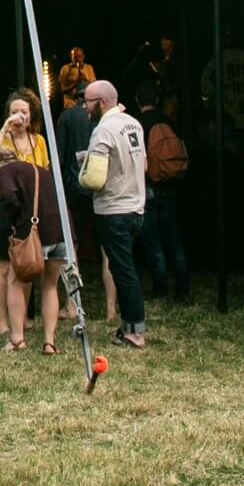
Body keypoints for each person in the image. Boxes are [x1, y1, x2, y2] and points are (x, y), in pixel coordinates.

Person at [80, 80, 148, 349]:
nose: (85, 107)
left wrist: (82, 171)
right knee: (125, 268)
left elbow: (95, 180)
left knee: (123, 270)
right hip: (135, 206)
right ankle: (128, 325)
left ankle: (135, 331)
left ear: (103, 102)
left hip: (113, 209)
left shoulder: (103, 130)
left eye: (88, 102)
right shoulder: (133, 123)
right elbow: (141, 165)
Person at [0, 90, 48, 340]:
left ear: (31, 115)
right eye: (13, 112)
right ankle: (2, 321)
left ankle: (23, 317)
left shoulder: (38, 141)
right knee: (3, 265)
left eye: (23, 112)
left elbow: (45, 172)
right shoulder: (0, 139)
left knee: (25, 263)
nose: (18, 116)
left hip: (28, 206)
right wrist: (4, 129)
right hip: (2, 203)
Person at [54, 75, 117, 325]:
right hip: (104, 189)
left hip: (75, 188)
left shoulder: (67, 117)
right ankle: (111, 309)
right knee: (108, 250)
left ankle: (71, 305)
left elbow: (59, 157)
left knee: (72, 248)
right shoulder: (109, 119)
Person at [0, 152, 65, 353]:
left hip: (35, 234)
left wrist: (17, 218)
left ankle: (17, 339)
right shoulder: (41, 171)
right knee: (50, 285)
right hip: (61, 232)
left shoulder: (5, 170)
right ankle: (49, 342)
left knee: (16, 280)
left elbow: (8, 196)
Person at [135, 88, 191, 301]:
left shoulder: (138, 124)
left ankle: (160, 289)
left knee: (153, 241)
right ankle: (183, 288)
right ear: (157, 99)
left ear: (138, 101)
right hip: (171, 185)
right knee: (173, 238)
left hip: (149, 186)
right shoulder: (169, 121)